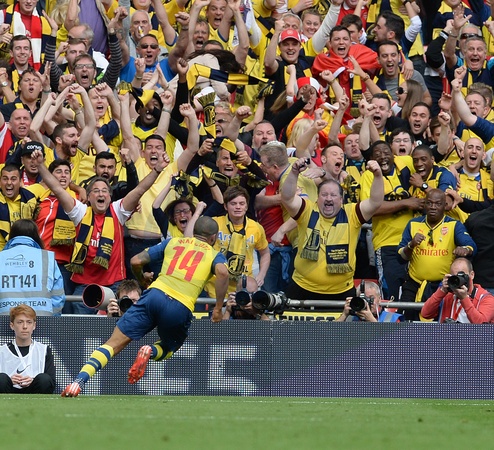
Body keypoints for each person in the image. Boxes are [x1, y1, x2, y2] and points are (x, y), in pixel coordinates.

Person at [61, 216, 229, 397]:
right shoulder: (214, 254)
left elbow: (135, 261)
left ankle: (77, 382)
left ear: (194, 231)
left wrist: (142, 279)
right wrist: (218, 308)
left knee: (112, 344)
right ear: (213, 238)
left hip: (154, 295)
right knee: (168, 348)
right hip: (179, 306)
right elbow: (222, 272)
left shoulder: (173, 242)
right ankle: (150, 351)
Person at [280, 157, 384, 303]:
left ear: (341, 200)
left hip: (341, 291)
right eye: (324, 195)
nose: (328, 198)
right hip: (302, 287)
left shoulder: (352, 213)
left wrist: (378, 175)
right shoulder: (307, 210)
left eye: (333, 195)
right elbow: (287, 198)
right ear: (317, 198)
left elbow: (375, 202)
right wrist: (294, 172)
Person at [398, 189, 476, 320]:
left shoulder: (453, 225)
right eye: (429, 203)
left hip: (443, 286)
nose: (433, 207)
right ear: (424, 204)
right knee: (404, 323)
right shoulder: (413, 224)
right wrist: (411, 245)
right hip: (414, 285)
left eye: (438, 204)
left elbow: (470, 245)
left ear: (445, 205)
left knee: (439, 325)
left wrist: (465, 250)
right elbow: (400, 258)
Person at [0, 219, 65, 316]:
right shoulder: (47, 258)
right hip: (42, 319)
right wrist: (52, 319)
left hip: (4, 319)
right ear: (36, 236)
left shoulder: (1, 257)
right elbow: (58, 296)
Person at [0, 305, 56, 394]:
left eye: (29, 322)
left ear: (34, 325)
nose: (25, 326)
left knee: (44, 379)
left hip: (34, 390)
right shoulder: (2, 351)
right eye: (20, 322)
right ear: (12, 325)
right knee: (1, 379)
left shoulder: (44, 350)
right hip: (9, 391)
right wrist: (10, 381)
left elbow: (51, 381)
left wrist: (33, 380)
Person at [421, 258, 494, 324]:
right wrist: (442, 291)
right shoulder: (447, 295)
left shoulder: (485, 298)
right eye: (454, 277)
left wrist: (464, 298)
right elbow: (425, 314)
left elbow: (481, 325)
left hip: (472, 335)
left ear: (472, 275)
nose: (457, 280)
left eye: (461, 276)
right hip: (447, 334)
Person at [336, 280, 404, 322]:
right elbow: (331, 335)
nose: (367, 302)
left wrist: (371, 320)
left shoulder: (392, 318)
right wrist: (344, 315)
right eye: (363, 299)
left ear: (379, 299)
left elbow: (392, 340)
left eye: (371, 298)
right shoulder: (350, 318)